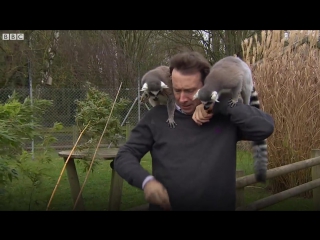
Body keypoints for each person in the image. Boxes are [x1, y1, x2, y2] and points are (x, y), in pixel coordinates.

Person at [114, 51, 274, 211]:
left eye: (190, 91)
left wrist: (218, 104)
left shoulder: (224, 118)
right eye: (177, 90)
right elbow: (124, 156)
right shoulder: (156, 117)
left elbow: (264, 127)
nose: (182, 98)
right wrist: (146, 181)